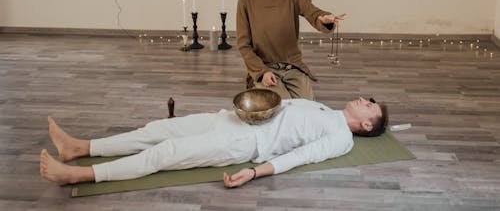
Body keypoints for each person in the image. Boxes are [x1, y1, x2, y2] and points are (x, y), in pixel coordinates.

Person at [40, 96, 388, 188]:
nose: (362, 99)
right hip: (231, 119)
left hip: (242, 145)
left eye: (369, 105)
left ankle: (79, 176)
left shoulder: (341, 138)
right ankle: (80, 147)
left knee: (165, 153)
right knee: (156, 130)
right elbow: (273, 108)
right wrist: (224, 111)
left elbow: (299, 157)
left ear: (367, 123)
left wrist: (254, 173)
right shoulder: (322, 107)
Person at [237, 0, 346, 101]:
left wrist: (324, 18)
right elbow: (243, 45)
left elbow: (313, 12)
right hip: (265, 68)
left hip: (293, 67)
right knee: (283, 107)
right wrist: (262, 72)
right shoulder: (246, 0)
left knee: (307, 108)